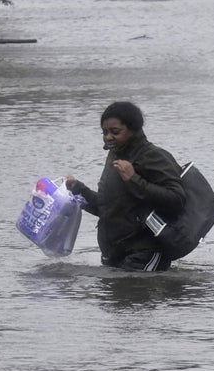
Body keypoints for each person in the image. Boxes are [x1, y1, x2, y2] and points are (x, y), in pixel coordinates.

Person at [66, 101, 185, 271]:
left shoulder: (153, 156)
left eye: (115, 132)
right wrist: (79, 189)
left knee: (132, 294)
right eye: (104, 132)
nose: (108, 137)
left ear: (133, 130)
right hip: (114, 253)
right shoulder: (114, 156)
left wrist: (133, 180)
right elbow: (107, 207)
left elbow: (177, 200)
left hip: (145, 252)